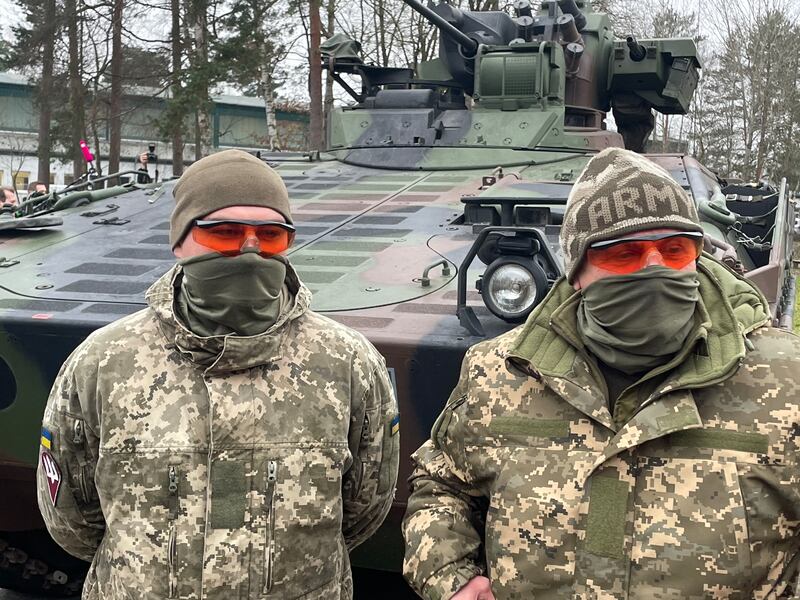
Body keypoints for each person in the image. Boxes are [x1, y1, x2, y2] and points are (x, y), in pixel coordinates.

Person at [402, 147, 800, 599]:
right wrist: (450, 576)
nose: (654, 267)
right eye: (624, 254)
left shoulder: (785, 379)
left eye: (675, 250)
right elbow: (442, 484)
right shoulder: (501, 371)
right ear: (577, 272)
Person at [37, 149, 400, 599]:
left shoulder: (347, 361)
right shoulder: (104, 360)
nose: (250, 249)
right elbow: (72, 516)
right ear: (180, 241)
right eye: (224, 232)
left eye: (270, 235)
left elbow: (366, 503)